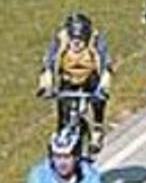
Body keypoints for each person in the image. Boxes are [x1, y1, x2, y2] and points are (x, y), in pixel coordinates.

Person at [37, 12, 114, 156]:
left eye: (81, 39)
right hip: (68, 79)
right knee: (63, 114)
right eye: (74, 39)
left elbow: (106, 64)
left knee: (98, 101)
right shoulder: (61, 39)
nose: (77, 44)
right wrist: (45, 84)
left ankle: (97, 128)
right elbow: (48, 61)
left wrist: (104, 87)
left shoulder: (96, 40)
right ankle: (61, 138)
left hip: (90, 79)